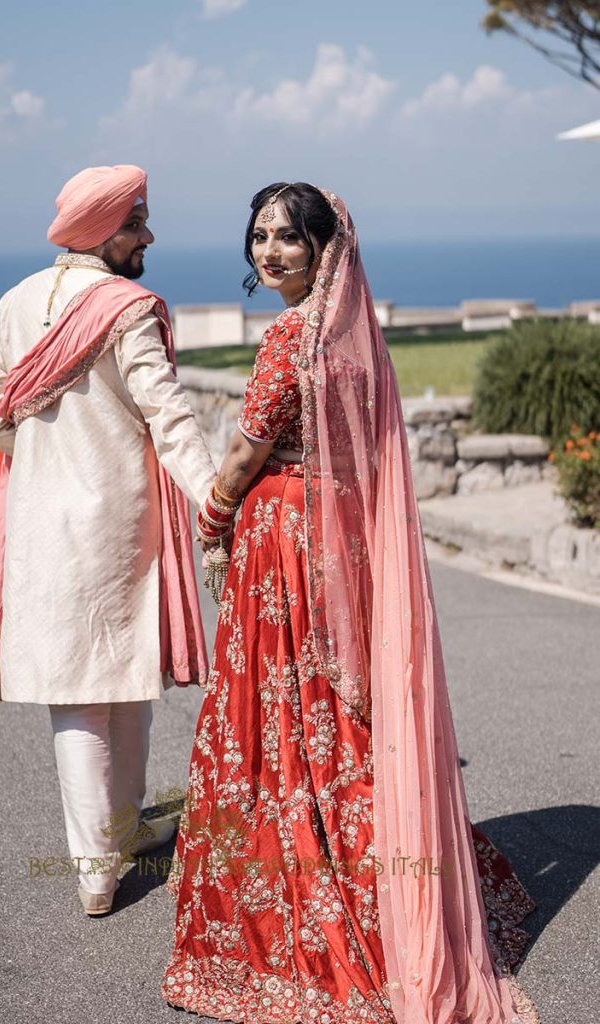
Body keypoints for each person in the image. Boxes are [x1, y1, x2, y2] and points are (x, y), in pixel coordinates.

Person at [162, 183, 539, 1023]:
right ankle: (393, 880)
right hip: (339, 544)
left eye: (289, 239)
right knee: (337, 718)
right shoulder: (356, 335)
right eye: (259, 236)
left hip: (281, 544)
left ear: (323, 248)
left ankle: (320, 901)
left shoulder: (290, 337)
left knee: (280, 725)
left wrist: (213, 518)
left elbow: (244, 451)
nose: (270, 253)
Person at [0, 164, 216, 917]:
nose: (148, 236)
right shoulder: (126, 307)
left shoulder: (16, 302)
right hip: (118, 522)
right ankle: (111, 849)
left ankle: (99, 864)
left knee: (77, 697)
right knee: (120, 681)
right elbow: (168, 416)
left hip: (42, 526)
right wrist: (217, 501)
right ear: (102, 232)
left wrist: (45, 455)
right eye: (137, 223)